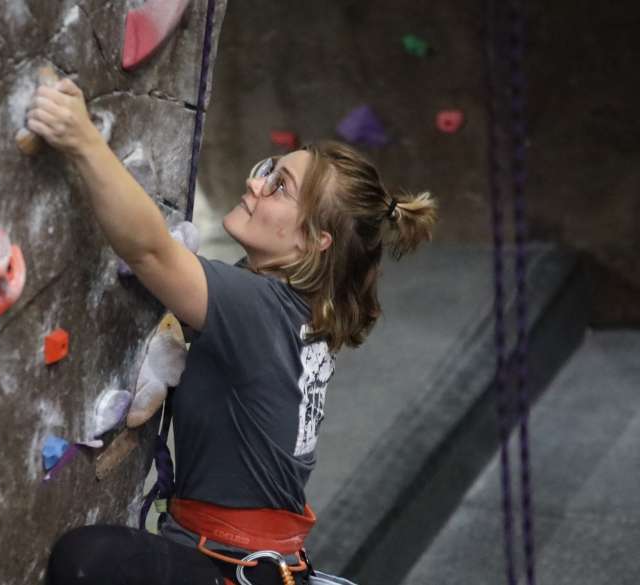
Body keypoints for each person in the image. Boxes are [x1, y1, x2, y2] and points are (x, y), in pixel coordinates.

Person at [27, 78, 437, 585]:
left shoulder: (261, 309)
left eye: (279, 187)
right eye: (269, 169)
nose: (255, 183)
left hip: (231, 565)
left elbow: (149, 252)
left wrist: (82, 138)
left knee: (89, 561)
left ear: (314, 242)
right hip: (257, 561)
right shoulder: (299, 310)